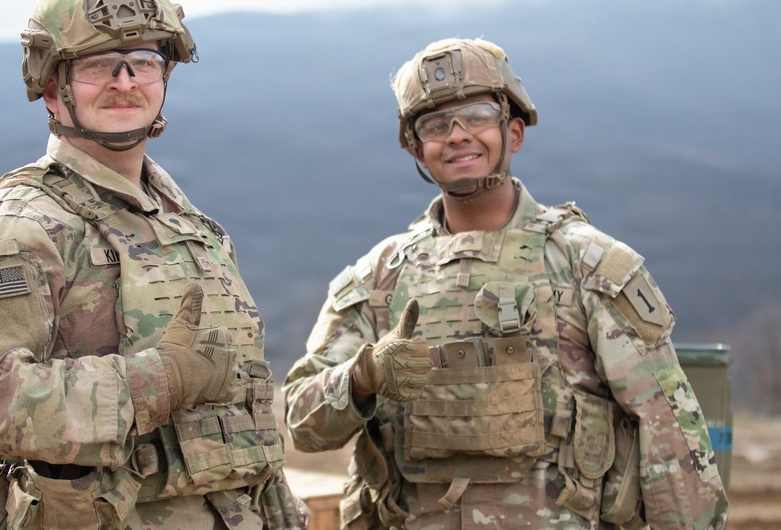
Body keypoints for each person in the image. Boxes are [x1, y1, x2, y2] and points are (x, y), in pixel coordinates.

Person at [282, 38, 728, 529]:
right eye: (434, 125)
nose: (455, 136)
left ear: (512, 132)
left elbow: (669, 432)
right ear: (416, 147)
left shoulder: (588, 266)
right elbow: (302, 424)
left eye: (474, 116)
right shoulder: (378, 278)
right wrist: (363, 378)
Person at [0, 0, 307, 530]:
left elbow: (238, 413)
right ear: (52, 86)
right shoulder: (26, 228)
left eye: (144, 62)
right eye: (98, 65)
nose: (125, 82)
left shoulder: (189, 226)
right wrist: (161, 380)